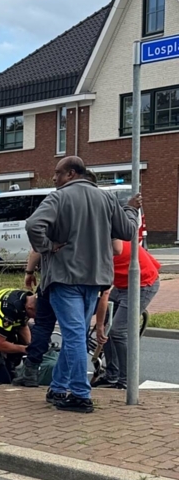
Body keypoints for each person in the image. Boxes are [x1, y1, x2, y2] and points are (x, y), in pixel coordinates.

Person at [25, 156, 140, 413]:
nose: (54, 178)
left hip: (65, 278)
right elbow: (127, 232)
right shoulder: (107, 199)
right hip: (95, 279)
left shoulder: (58, 198)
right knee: (75, 335)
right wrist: (131, 209)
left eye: (58, 173)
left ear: (71, 174)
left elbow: (33, 225)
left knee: (74, 336)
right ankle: (58, 387)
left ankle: (79, 394)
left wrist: (47, 247)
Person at [92, 238, 161, 389]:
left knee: (117, 330)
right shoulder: (101, 241)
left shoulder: (101, 253)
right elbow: (152, 261)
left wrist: (99, 326)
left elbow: (104, 294)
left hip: (142, 284)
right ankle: (112, 375)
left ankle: (126, 380)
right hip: (122, 285)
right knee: (107, 329)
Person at [11, 250, 57, 387]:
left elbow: (38, 248)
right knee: (76, 331)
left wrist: (29, 272)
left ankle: (30, 372)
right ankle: (73, 379)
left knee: (43, 327)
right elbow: (114, 248)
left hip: (55, 279)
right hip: (89, 282)